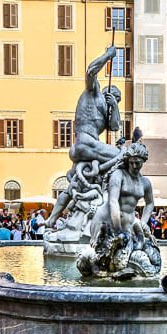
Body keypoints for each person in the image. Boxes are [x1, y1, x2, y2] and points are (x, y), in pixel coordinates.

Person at [46, 46, 123, 227]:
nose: (115, 101)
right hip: (86, 142)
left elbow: (115, 126)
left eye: (118, 101)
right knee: (123, 155)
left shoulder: (106, 113)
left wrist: (115, 107)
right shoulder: (93, 93)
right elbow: (90, 71)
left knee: (73, 183)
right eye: (115, 97)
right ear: (106, 92)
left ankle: (52, 219)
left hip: (84, 149)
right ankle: (110, 195)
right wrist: (107, 55)